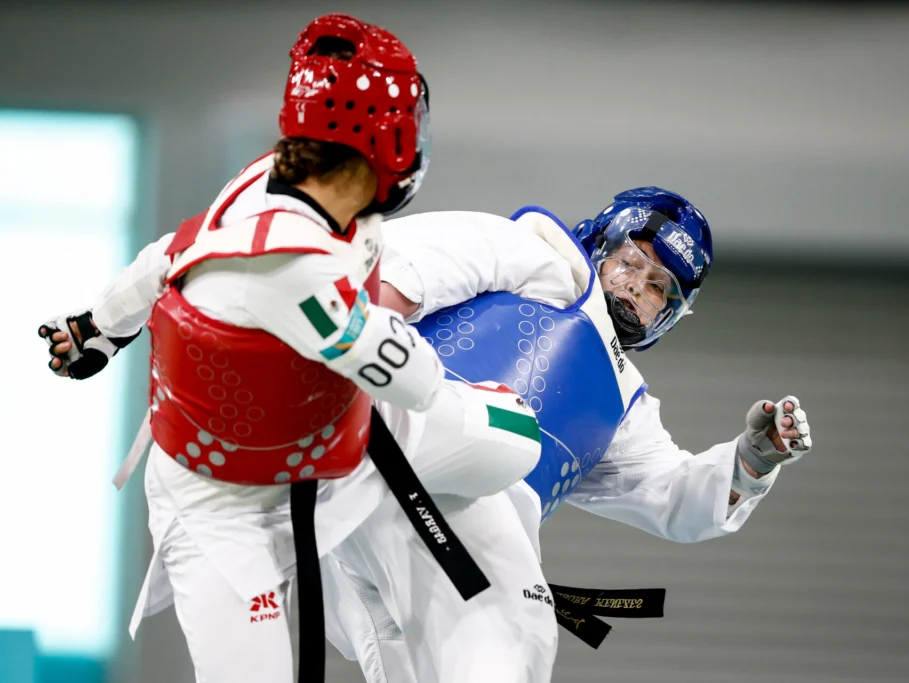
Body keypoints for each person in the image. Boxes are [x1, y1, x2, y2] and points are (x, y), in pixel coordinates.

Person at [39, 14, 552, 683]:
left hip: (335, 425)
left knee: (516, 440)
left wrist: (96, 327)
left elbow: (165, 255)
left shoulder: (274, 183)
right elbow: (416, 378)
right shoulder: (293, 271)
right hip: (224, 505)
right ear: (387, 137)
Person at [318, 187, 814, 681]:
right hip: (419, 453)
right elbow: (402, 271)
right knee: (516, 638)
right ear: (599, 243)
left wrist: (751, 463)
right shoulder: (531, 253)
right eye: (630, 263)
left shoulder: (623, 404)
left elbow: (672, 494)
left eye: (660, 287)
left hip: (377, 517)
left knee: (408, 660)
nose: (639, 287)